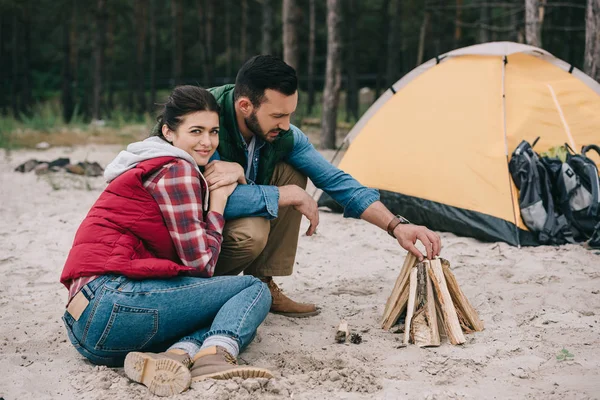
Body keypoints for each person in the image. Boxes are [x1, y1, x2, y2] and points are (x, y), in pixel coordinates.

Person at [60, 86, 273, 397]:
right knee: (253, 289)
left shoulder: (144, 162)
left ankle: (174, 356)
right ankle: (214, 356)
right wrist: (219, 201)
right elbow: (202, 265)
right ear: (169, 132)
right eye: (196, 131)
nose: (207, 142)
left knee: (213, 309)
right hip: (110, 303)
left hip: (85, 330)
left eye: (214, 132)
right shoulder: (178, 170)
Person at [201, 55, 442, 318]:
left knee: (292, 172)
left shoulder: (281, 133)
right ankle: (207, 291)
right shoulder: (201, 123)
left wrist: (396, 226)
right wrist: (284, 194)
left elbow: (336, 182)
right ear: (245, 105)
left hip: (225, 221)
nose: (285, 125)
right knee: (254, 230)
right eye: (278, 115)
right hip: (191, 238)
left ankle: (262, 286)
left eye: (290, 114)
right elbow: (198, 200)